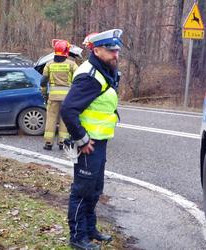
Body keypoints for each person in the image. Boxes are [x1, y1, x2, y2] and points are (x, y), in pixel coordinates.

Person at [60, 29, 123, 250]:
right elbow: (67, 110)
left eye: (117, 50)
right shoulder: (89, 75)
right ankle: (77, 237)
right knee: (82, 190)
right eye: (111, 50)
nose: (116, 54)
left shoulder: (105, 70)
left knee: (95, 189)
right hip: (89, 144)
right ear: (96, 50)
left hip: (100, 141)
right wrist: (82, 139)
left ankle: (90, 229)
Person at [41, 39, 78, 150]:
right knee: (64, 119)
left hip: (53, 97)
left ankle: (48, 143)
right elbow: (79, 79)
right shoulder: (72, 65)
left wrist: (44, 93)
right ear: (66, 51)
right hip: (67, 98)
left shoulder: (49, 64)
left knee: (51, 119)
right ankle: (62, 142)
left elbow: (43, 82)